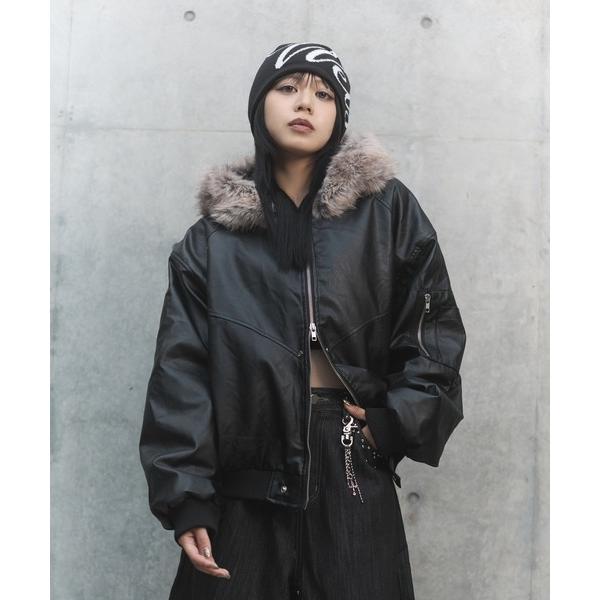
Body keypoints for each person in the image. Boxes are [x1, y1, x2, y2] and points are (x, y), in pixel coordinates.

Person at [139, 42, 467, 600]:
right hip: (245, 476)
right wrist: (186, 494)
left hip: (350, 462)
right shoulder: (211, 242)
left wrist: (395, 421)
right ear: (259, 106)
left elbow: (432, 326)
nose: (305, 103)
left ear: (339, 115)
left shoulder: (387, 211)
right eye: (288, 88)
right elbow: (180, 372)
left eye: (324, 94)